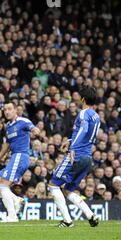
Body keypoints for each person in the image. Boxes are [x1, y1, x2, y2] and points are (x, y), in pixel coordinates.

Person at [48, 86, 101, 228]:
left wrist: (72, 148)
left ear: (83, 99)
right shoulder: (96, 116)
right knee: (67, 190)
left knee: (53, 184)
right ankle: (91, 215)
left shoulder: (83, 113)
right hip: (88, 157)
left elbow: (83, 130)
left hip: (77, 155)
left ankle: (67, 221)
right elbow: (89, 136)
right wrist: (71, 141)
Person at [0, 102, 41, 222]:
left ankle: (12, 216)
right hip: (14, 157)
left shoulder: (23, 121)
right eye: (5, 110)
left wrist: (36, 130)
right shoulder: (8, 126)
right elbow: (7, 144)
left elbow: (33, 128)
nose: (7, 111)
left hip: (21, 156)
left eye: (9, 109)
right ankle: (17, 200)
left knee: (3, 186)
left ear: (15, 111)